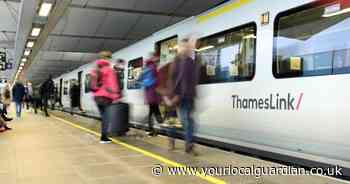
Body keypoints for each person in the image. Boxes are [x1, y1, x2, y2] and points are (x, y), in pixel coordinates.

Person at [165, 36, 200, 155]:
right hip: (175, 96)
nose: (185, 49)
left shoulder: (191, 62)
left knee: (187, 120)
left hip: (187, 96)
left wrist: (194, 95)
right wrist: (171, 96)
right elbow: (171, 80)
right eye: (183, 47)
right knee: (175, 120)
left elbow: (193, 80)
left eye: (187, 47)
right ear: (179, 48)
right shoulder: (174, 63)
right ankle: (172, 141)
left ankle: (189, 144)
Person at [90, 51, 121, 144]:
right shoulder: (109, 70)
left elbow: (93, 86)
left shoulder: (95, 69)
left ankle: (104, 136)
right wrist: (116, 96)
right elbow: (113, 84)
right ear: (108, 58)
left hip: (97, 97)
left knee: (104, 117)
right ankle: (104, 137)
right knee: (106, 117)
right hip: (106, 97)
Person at [141, 53, 163, 136]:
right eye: (157, 59)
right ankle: (158, 126)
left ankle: (150, 129)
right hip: (153, 93)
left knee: (152, 111)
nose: (158, 61)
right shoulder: (153, 68)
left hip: (149, 93)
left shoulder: (147, 67)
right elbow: (155, 81)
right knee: (155, 111)